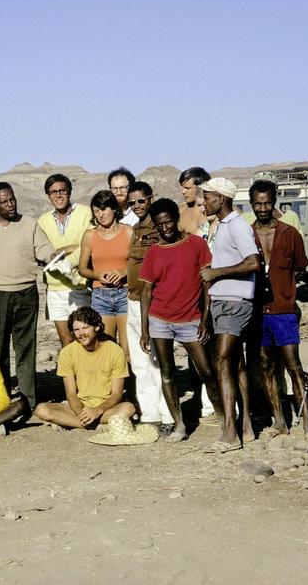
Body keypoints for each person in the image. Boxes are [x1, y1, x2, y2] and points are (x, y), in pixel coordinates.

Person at [139, 199, 219, 444]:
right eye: (160, 224)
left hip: (191, 318)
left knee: (206, 371)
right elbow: (146, 292)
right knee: (167, 373)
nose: (165, 228)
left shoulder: (196, 244)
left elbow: (207, 284)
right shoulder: (154, 252)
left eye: (169, 221)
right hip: (160, 319)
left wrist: (205, 319)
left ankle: (225, 418)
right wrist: (145, 330)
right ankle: (179, 425)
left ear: (177, 219)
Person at [248, 179, 308, 438]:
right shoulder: (246, 234)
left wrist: (282, 284)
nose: (262, 208)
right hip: (256, 310)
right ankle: (279, 421)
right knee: (265, 364)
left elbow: (300, 266)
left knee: (293, 364)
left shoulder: (290, 234)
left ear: (274, 202)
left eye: (267, 203)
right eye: (257, 204)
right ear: (251, 204)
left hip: (283, 309)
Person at [200, 177, 261, 451]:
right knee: (236, 364)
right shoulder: (223, 226)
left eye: (208, 197)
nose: (204, 202)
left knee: (222, 362)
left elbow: (254, 263)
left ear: (221, 199)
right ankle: (245, 425)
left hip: (234, 303)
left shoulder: (237, 226)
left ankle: (229, 432)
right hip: (223, 301)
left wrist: (216, 272)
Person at [0, 182, 54, 408]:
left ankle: (27, 400)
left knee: (26, 347)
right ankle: (2, 399)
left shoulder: (29, 223)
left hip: (26, 292)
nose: (10, 204)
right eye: (4, 201)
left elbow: (43, 249)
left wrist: (53, 255)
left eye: (12, 199)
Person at [34, 307, 137, 431]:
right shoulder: (67, 352)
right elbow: (71, 394)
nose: (80, 333)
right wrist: (81, 413)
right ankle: (95, 424)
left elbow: (116, 394)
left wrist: (97, 410)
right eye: (76, 329)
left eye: (85, 328)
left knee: (128, 409)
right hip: (79, 405)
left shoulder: (115, 351)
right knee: (42, 410)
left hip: (106, 407)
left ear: (97, 327)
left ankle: (71, 422)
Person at [123, 182, 174, 431]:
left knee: (156, 359)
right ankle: (149, 414)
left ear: (150, 199)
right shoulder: (135, 228)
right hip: (132, 299)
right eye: (131, 202)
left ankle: (167, 415)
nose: (136, 206)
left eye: (140, 201)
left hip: (151, 300)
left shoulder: (159, 227)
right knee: (140, 362)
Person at [37, 174, 94, 347]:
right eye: (53, 192)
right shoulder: (43, 221)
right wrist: (70, 248)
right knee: (66, 341)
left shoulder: (85, 213)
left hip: (80, 286)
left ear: (69, 191)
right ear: (48, 195)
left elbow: (89, 245)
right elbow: (43, 253)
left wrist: (63, 253)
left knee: (85, 338)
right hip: (54, 289)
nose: (58, 195)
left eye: (62, 190)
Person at [78, 190, 133, 351]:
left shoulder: (129, 232)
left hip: (125, 294)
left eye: (103, 209)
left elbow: (140, 264)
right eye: (96, 211)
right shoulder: (89, 235)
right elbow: (82, 268)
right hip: (101, 297)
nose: (100, 214)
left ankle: (130, 377)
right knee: (106, 349)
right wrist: (97, 275)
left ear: (114, 209)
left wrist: (124, 272)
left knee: (128, 349)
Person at [178, 167, 211, 235]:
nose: (183, 192)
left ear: (200, 187)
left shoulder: (214, 210)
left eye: (187, 188)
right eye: (182, 187)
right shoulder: (181, 211)